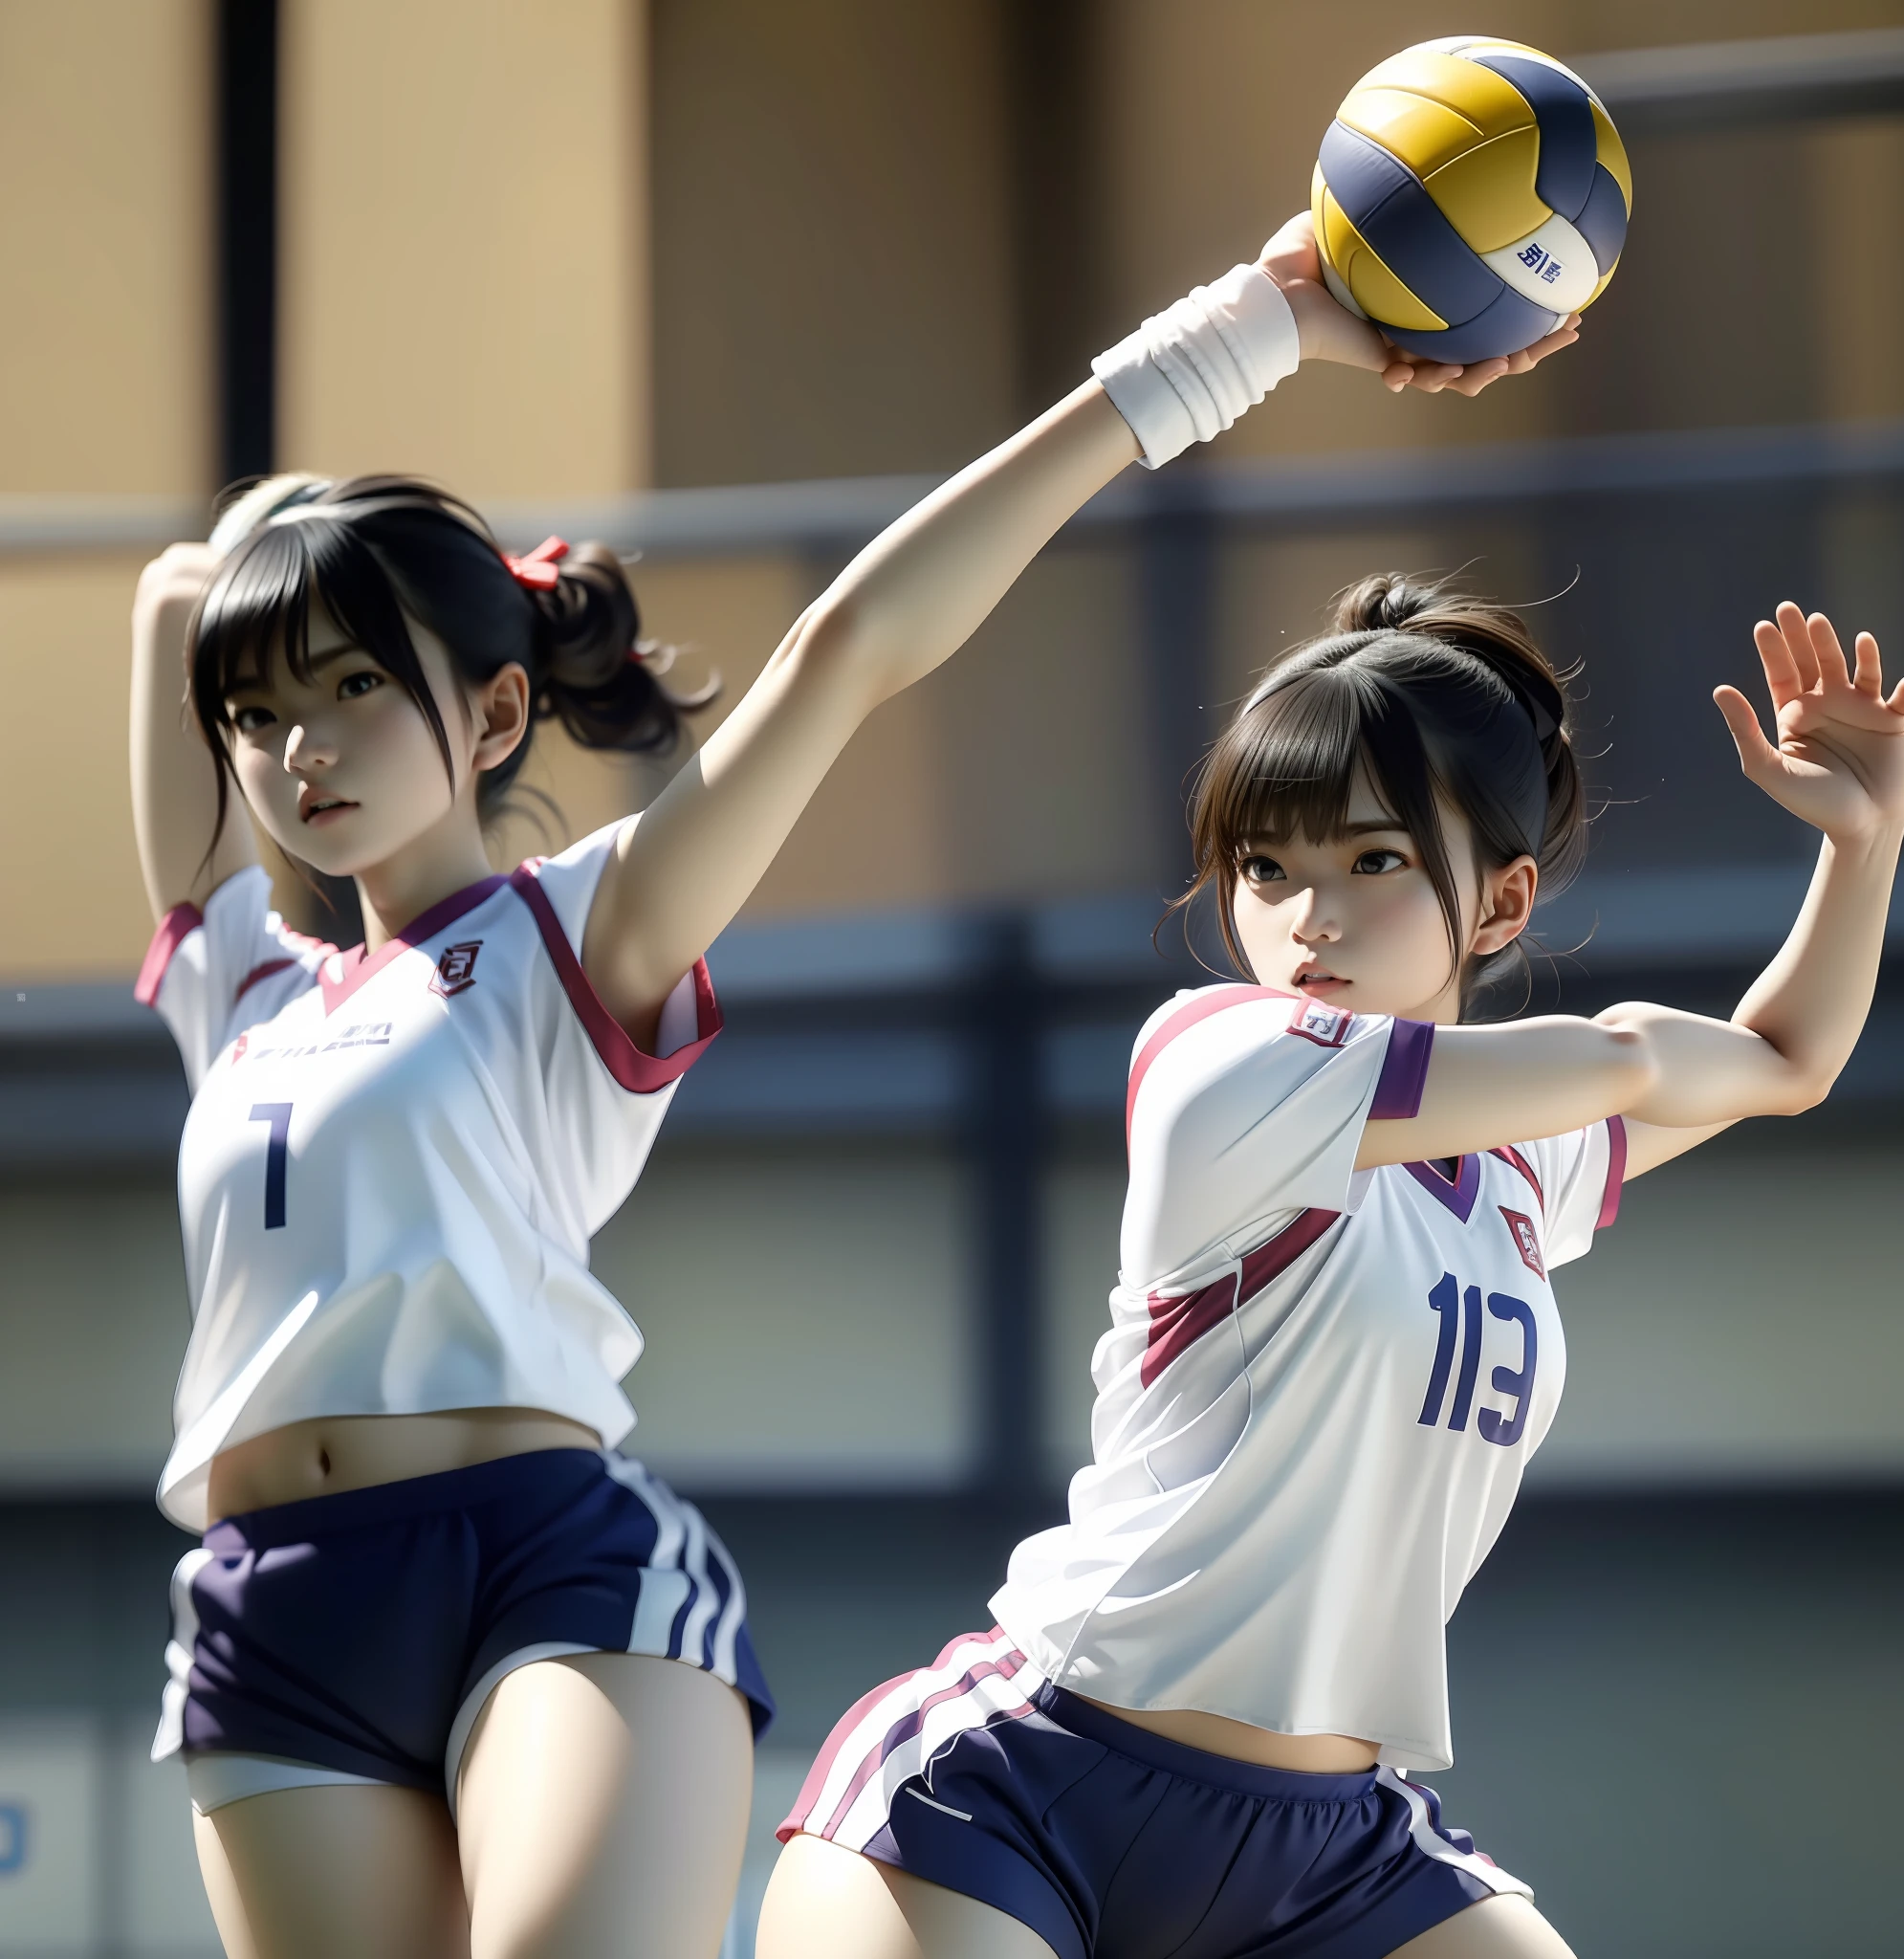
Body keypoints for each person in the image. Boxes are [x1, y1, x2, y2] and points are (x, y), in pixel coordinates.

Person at [129, 212, 1550, 1957]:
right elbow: (174, 602)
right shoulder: (243, 988)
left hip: (534, 1557)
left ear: (496, 716)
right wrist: (292, 565)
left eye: (356, 686)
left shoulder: (580, 933)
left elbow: (851, 649)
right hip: (266, 1597)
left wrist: (1255, 327)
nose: (302, 748)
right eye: (263, 715)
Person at [757, 571, 1904, 1945]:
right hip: (1018, 1790)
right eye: (1266, 868)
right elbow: (1639, 1058)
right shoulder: (1217, 1060)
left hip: (1330, 1847)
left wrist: (1868, 838)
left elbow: (1789, 1064)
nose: (1307, 918)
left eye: (1372, 861)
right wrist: (1648, 1056)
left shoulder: (1517, 1170)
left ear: (1501, 903)